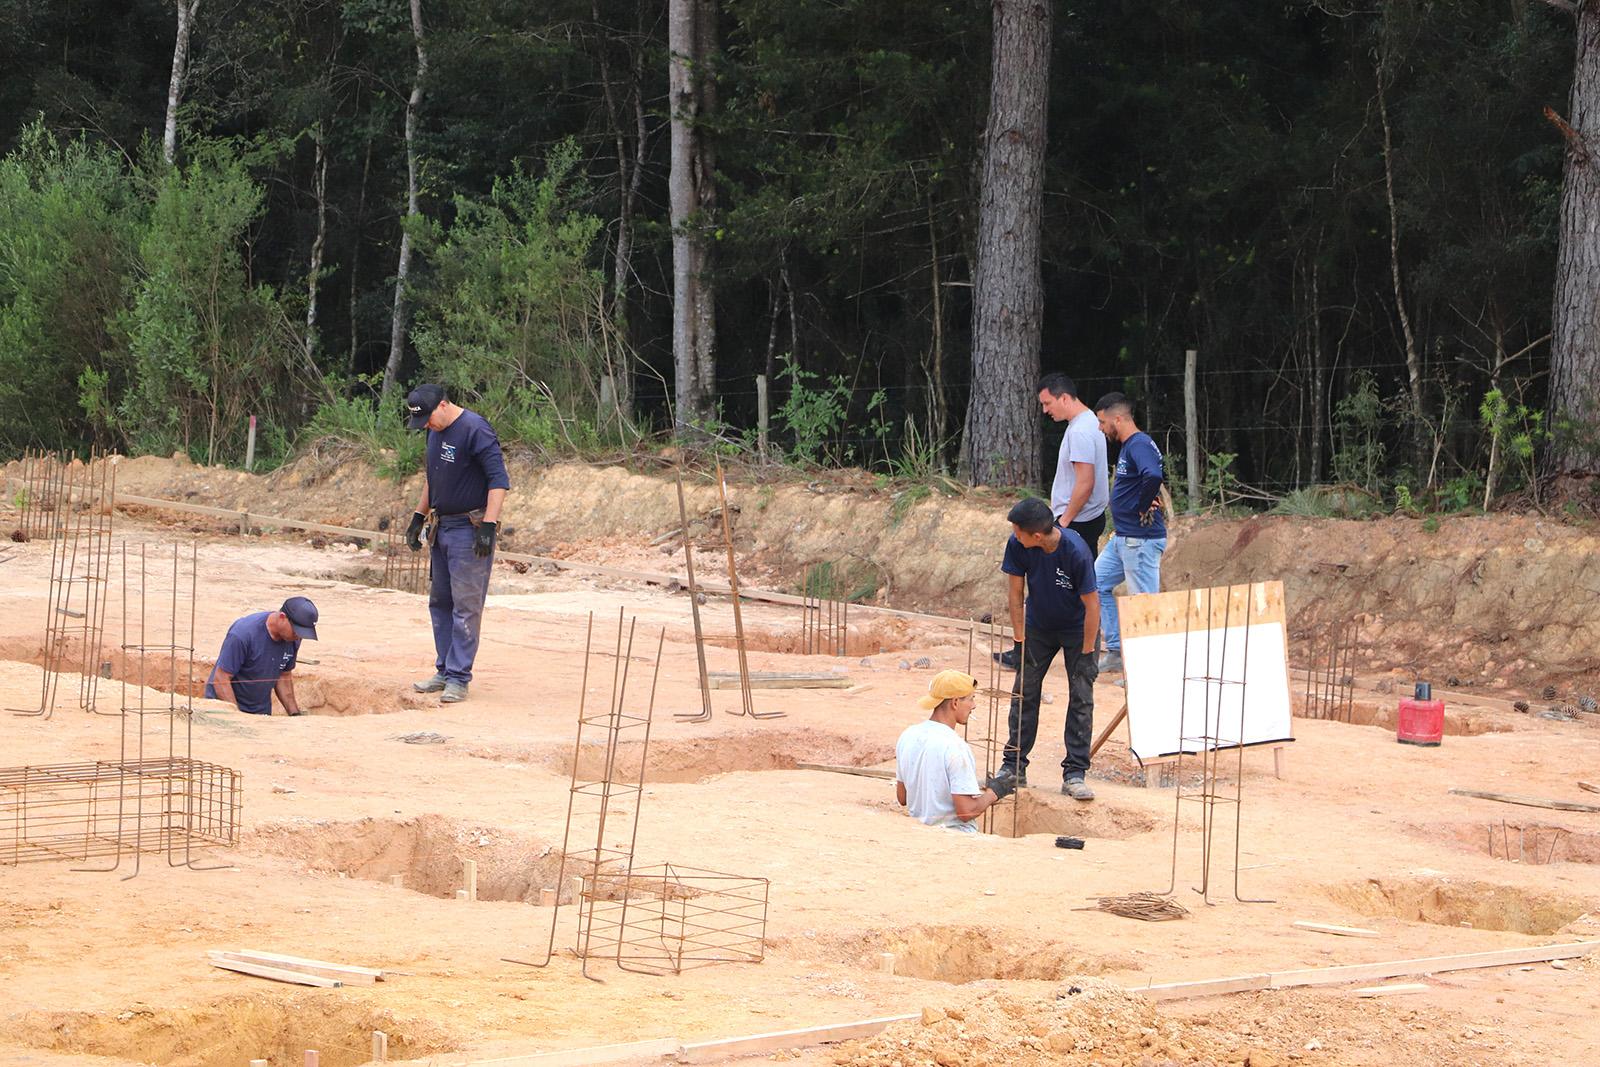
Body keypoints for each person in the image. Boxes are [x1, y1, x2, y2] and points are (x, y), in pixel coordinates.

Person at [404, 384, 512, 704]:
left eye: (428, 418)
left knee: (466, 606)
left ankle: (459, 677)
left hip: (469, 529)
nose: (426, 425)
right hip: (442, 526)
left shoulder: (475, 429)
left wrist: (489, 526)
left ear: (443, 405)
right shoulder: (433, 432)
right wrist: (417, 516)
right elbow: (432, 478)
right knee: (440, 602)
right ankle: (445, 668)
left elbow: (498, 480)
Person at [993, 496, 1100, 800]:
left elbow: (1092, 607)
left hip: (1078, 629)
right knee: (1024, 692)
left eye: (1018, 531)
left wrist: (1088, 654)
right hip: (1038, 626)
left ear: (1036, 536)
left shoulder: (1076, 552)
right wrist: (1018, 640)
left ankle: (1075, 773)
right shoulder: (1018, 546)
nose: (1014, 536)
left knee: (1081, 697)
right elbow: (1016, 593)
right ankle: (1014, 767)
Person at [1093, 392, 1166, 674]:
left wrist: (1142, 503)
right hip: (1124, 537)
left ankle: (1146, 669)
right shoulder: (1129, 446)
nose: (1100, 428)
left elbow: (1154, 476)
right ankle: (1116, 651)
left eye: (1102, 422)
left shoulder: (1140, 445)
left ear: (1118, 419)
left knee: (1143, 602)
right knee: (1097, 583)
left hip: (1141, 540)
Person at [895, 669, 1015, 833]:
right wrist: (995, 792)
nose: (973, 705)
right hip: (954, 835)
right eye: (971, 699)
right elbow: (966, 812)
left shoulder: (908, 735)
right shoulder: (955, 746)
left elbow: (902, 798)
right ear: (955, 702)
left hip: (918, 831)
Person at [204, 597, 319, 716]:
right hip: (225, 707)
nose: (299, 637)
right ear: (282, 618)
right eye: (296, 632)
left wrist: (295, 714)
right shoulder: (242, 634)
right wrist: (236, 716)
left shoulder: (292, 639)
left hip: (260, 712)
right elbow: (221, 678)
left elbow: (283, 675)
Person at [1038, 372, 1109, 551]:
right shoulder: (1091, 421)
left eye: (1047, 403)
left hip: (1077, 522)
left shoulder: (1080, 431)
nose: (1045, 410)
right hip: (1089, 518)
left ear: (1064, 398)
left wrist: (1063, 522)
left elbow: (1085, 483)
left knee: (1069, 578)